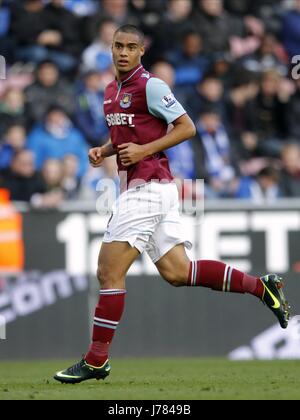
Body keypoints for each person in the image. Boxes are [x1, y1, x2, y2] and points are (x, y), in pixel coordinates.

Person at [54, 25, 291, 384]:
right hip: (151, 189)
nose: (123, 52)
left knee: (108, 271)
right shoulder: (109, 91)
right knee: (178, 272)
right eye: (118, 45)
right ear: (110, 47)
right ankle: (262, 287)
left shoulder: (151, 86)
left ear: (141, 52)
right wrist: (104, 150)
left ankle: (96, 359)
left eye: (131, 47)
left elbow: (187, 127)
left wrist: (144, 151)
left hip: (146, 188)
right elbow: (129, 134)